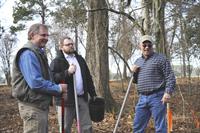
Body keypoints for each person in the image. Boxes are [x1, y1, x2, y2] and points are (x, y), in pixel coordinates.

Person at [11, 23, 68, 133]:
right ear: (32, 35)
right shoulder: (28, 54)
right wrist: (59, 89)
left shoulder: (38, 53)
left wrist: (58, 91)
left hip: (38, 107)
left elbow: (46, 78)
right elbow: (35, 82)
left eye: (47, 35)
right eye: (43, 35)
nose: (46, 38)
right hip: (33, 107)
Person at [50, 36, 97, 133]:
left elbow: (88, 78)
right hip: (65, 100)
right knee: (65, 128)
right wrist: (67, 72)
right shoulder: (57, 62)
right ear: (61, 47)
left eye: (72, 44)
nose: (71, 46)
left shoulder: (80, 59)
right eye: (68, 44)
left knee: (86, 127)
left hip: (82, 99)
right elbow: (53, 79)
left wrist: (93, 94)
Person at [131, 35, 176, 133]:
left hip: (158, 97)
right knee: (137, 127)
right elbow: (135, 81)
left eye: (149, 45)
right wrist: (134, 72)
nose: (147, 47)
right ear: (140, 46)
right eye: (144, 45)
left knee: (160, 128)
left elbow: (170, 77)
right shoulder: (137, 61)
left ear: (152, 46)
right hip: (142, 98)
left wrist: (168, 92)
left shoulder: (161, 59)